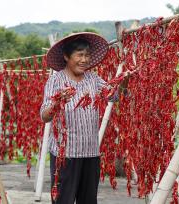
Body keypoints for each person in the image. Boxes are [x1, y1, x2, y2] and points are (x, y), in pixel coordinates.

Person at [40, 32, 128, 204]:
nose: (84, 60)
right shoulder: (56, 81)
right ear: (66, 56)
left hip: (90, 153)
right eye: (79, 55)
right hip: (65, 155)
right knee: (62, 200)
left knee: (88, 200)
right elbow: (44, 116)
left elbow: (113, 96)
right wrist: (56, 102)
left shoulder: (93, 79)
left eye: (87, 55)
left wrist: (124, 81)